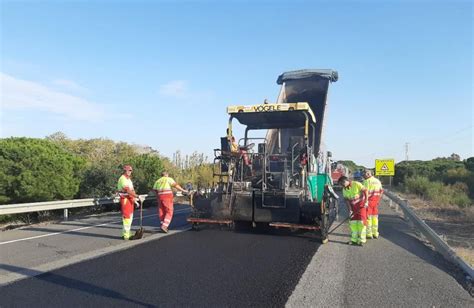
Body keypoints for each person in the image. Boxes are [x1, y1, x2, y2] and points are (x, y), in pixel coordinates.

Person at [338, 176, 369, 246]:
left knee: (361, 223)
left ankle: (362, 240)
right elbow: (347, 201)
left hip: (361, 207)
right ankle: (354, 239)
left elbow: (365, 191)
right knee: (353, 223)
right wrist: (350, 210)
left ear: (347, 180)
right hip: (353, 208)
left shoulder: (356, 184)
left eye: (343, 183)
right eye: (341, 184)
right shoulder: (344, 190)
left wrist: (366, 202)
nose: (342, 185)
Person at [117, 165, 137, 240]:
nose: (129, 172)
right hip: (125, 199)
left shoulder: (128, 179)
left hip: (130, 199)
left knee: (130, 217)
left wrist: (135, 198)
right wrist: (137, 196)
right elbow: (127, 190)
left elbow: (132, 190)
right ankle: (126, 235)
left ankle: (127, 233)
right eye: (128, 170)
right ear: (124, 171)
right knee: (127, 217)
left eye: (130, 170)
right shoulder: (122, 179)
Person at [362, 170, 384, 239]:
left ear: (369, 174)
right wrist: (378, 200)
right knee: (375, 218)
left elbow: (364, 193)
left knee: (368, 218)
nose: (364, 175)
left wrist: (363, 202)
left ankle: (369, 234)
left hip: (369, 202)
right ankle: (375, 233)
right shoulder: (378, 181)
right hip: (376, 202)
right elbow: (381, 191)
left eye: (365, 173)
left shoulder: (366, 181)